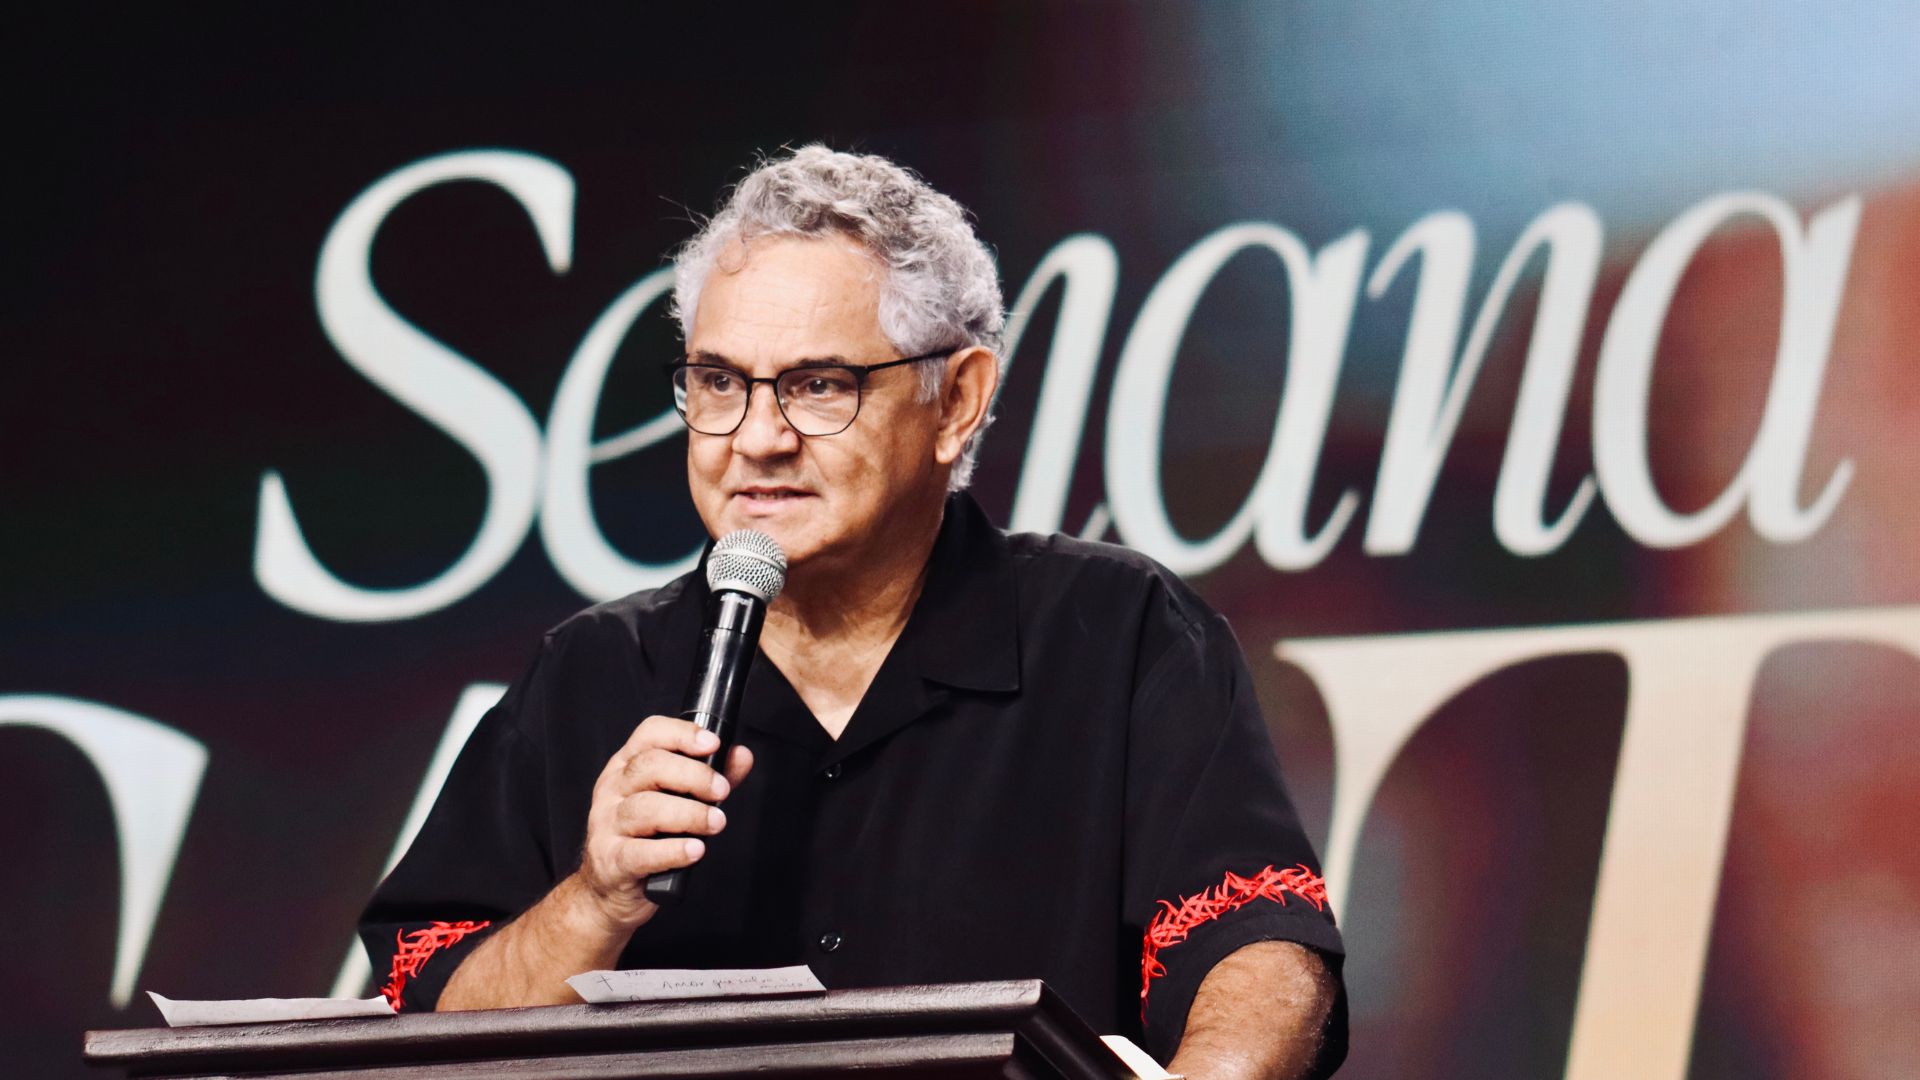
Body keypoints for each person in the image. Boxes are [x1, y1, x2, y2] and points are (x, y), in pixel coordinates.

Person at [360, 145, 1346, 1077]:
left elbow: (1255, 942)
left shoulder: (1119, 633)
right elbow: (424, 1029)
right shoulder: (590, 673)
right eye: (719, 383)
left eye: (817, 385)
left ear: (956, 401)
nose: (757, 438)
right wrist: (594, 901)